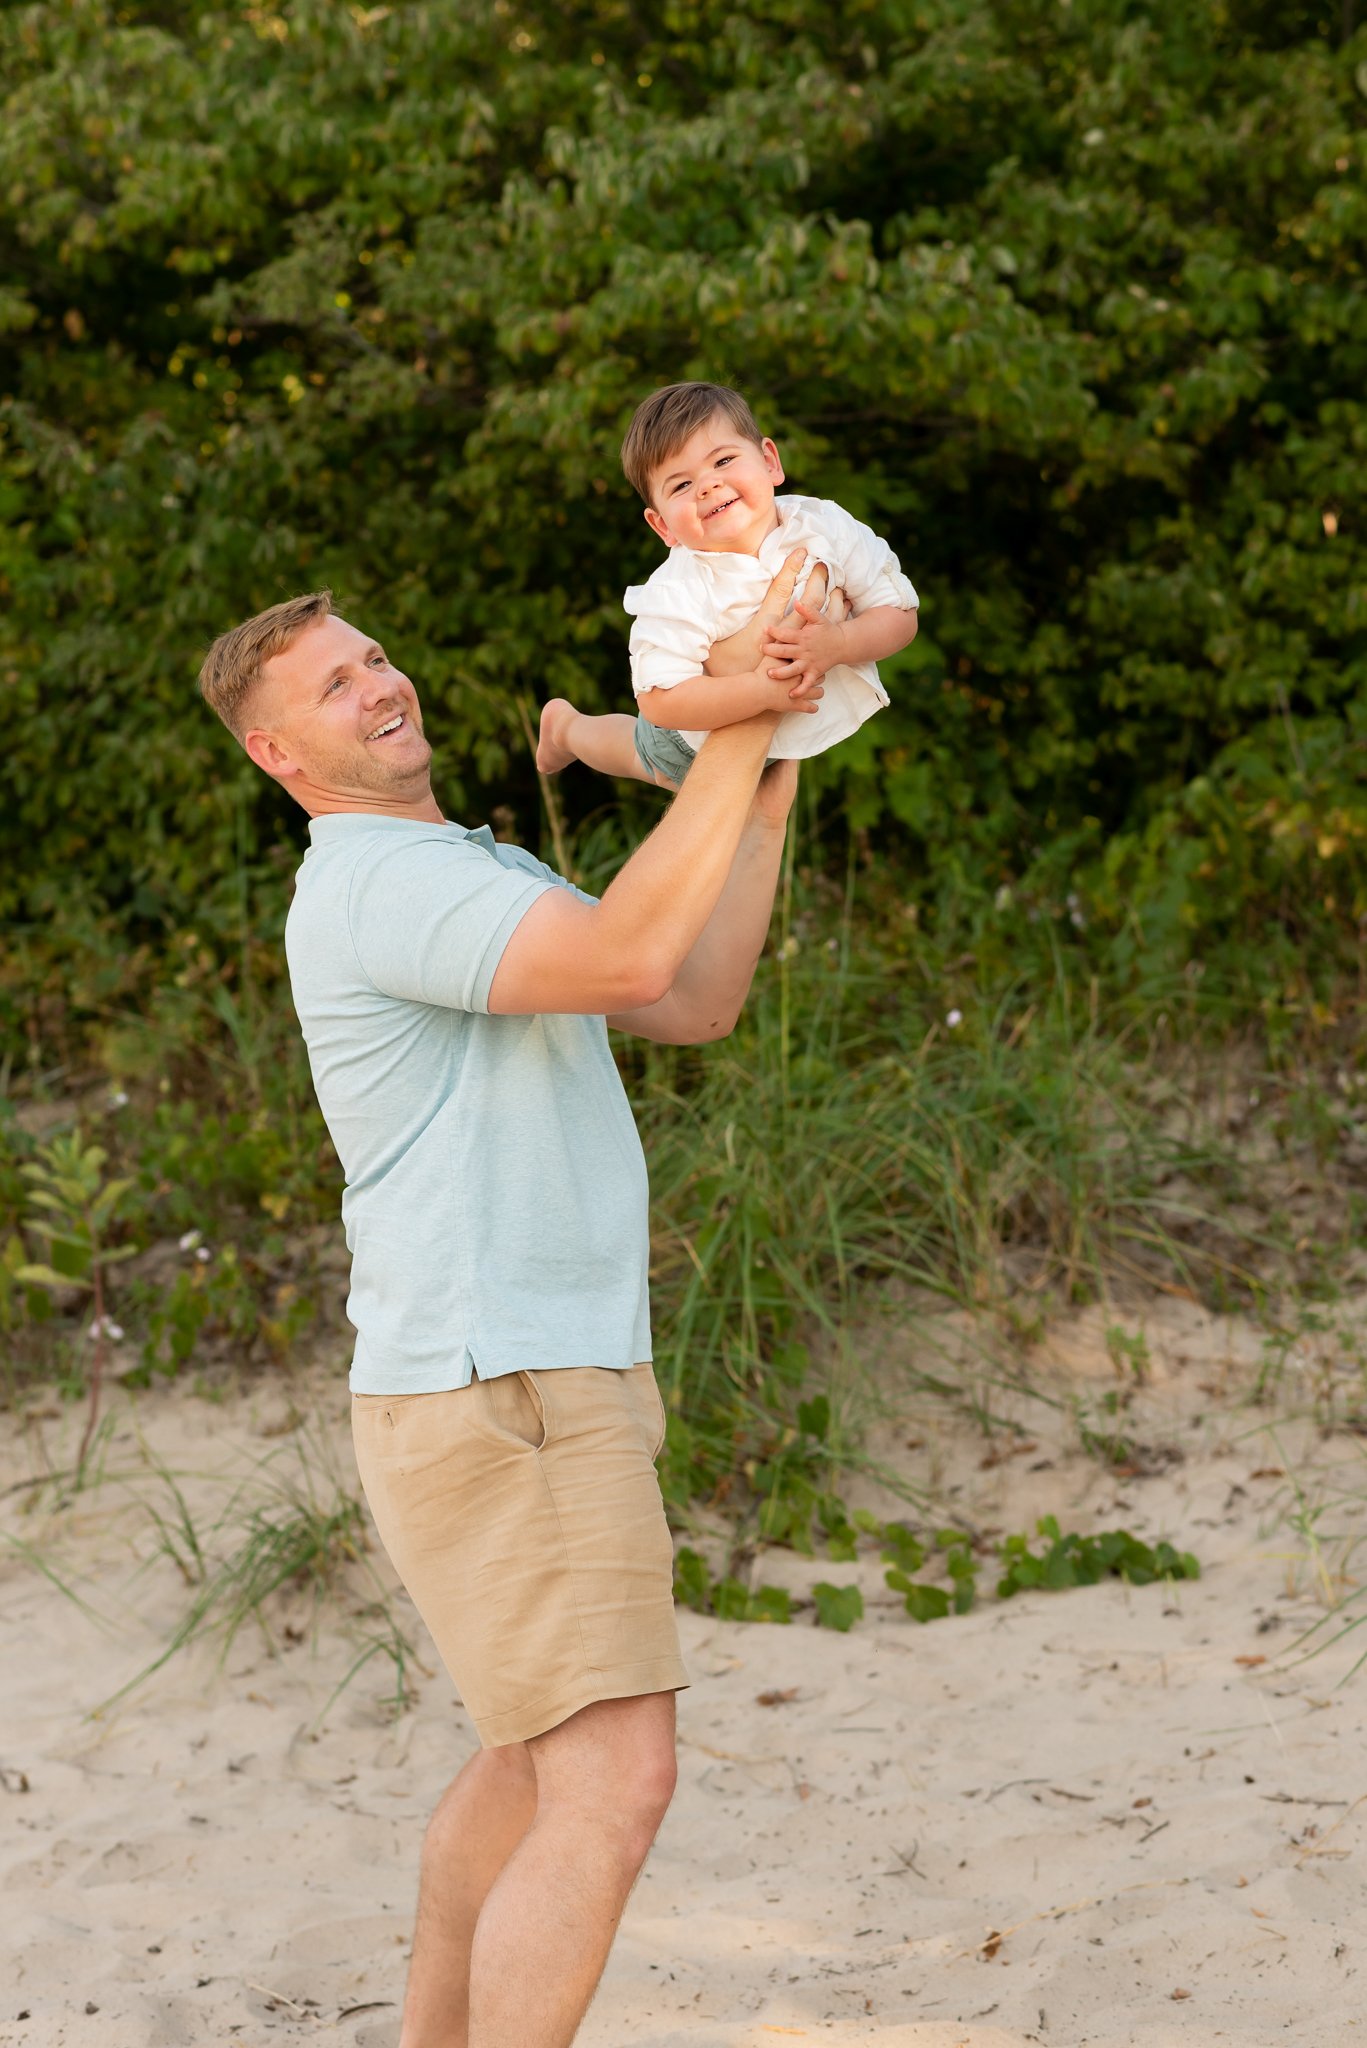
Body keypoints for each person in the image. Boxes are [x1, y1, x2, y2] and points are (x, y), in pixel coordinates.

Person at [196, 560, 812, 2048]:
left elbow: (687, 991)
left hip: (528, 1372)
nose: (378, 683)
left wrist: (769, 772)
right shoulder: (379, 880)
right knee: (614, 1775)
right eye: (332, 683)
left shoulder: (462, 864)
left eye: (375, 654)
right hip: (502, 1384)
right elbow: (628, 947)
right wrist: (735, 718)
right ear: (279, 754)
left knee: (534, 1762)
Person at [537, 379, 919, 790]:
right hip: (689, 743)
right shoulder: (679, 587)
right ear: (663, 525)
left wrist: (840, 643)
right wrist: (756, 691)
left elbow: (898, 613)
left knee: (766, 809)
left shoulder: (824, 526)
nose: (707, 485)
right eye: (681, 485)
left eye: (723, 461)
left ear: (770, 461)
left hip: (780, 739)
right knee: (637, 751)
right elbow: (658, 699)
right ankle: (566, 729)